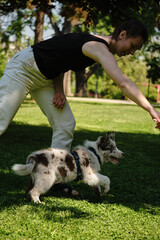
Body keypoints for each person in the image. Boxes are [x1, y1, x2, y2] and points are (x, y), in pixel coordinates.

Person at [0, 19, 160, 193]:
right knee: (1, 119)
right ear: (122, 35)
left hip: (45, 78)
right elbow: (123, 83)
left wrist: (59, 90)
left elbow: (60, 59)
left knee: (65, 123)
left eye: (135, 50)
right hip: (25, 69)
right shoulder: (98, 47)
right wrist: (151, 109)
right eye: (132, 45)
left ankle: (55, 179)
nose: (132, 52)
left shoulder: (94, 46)